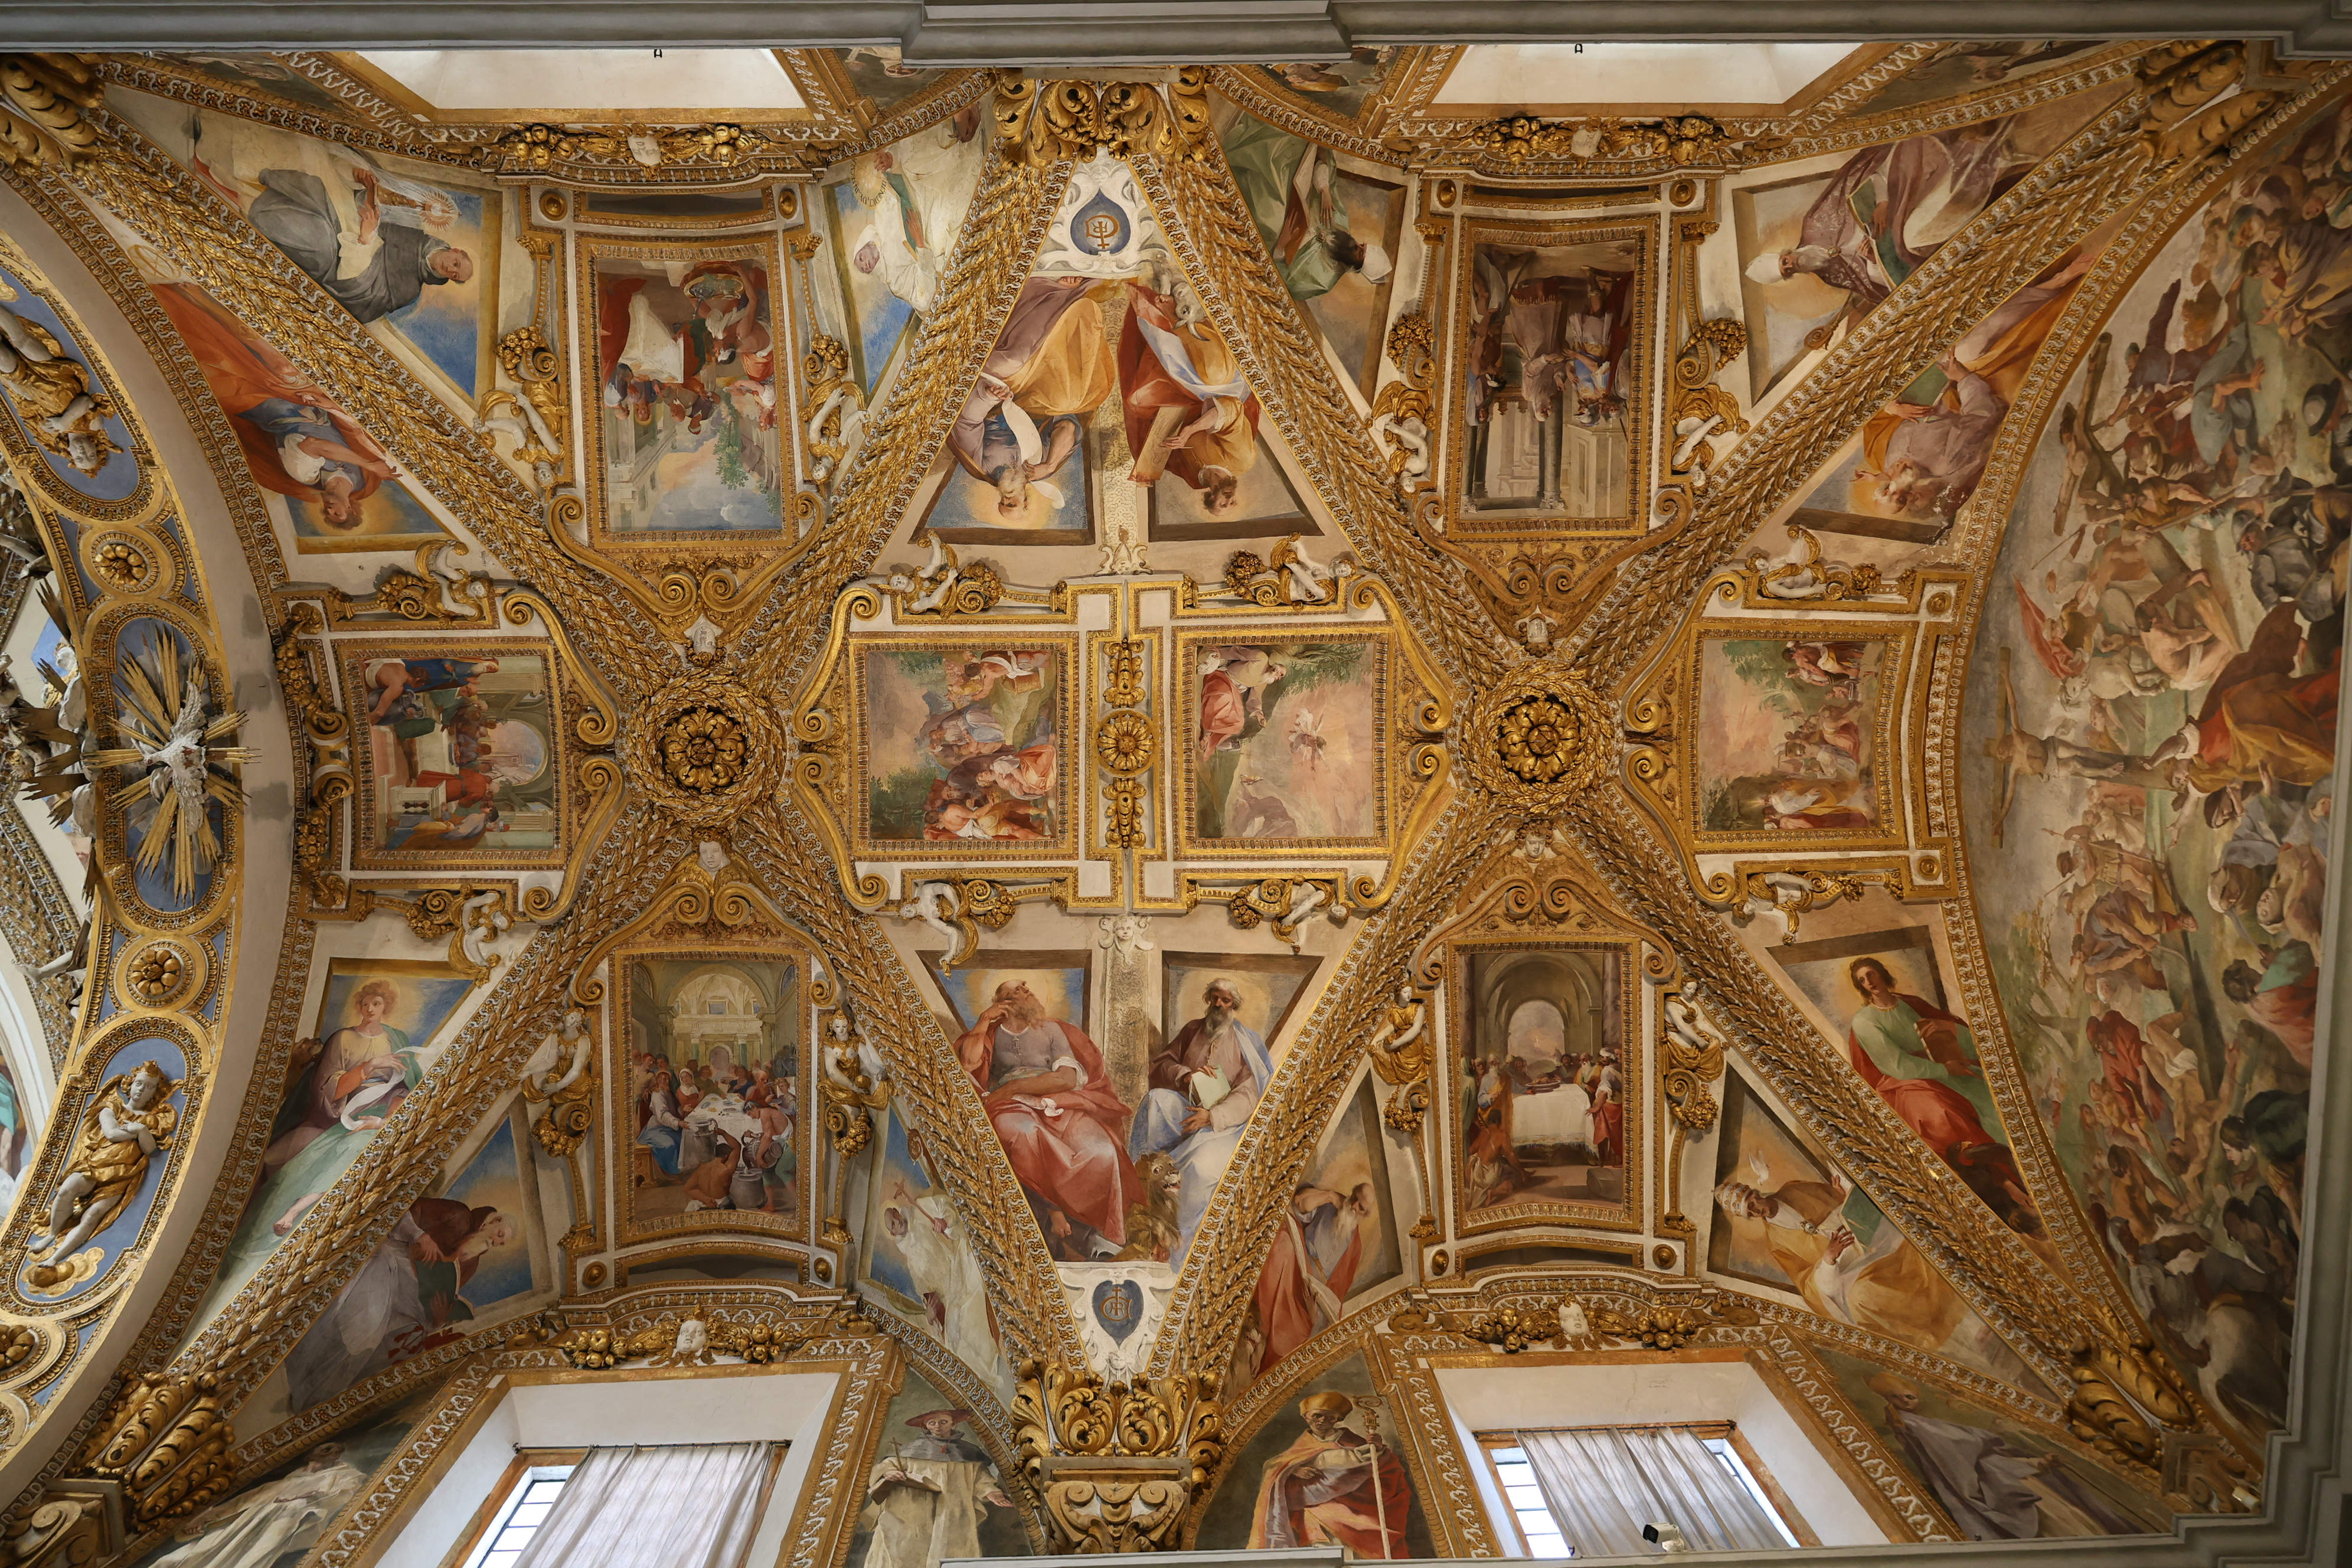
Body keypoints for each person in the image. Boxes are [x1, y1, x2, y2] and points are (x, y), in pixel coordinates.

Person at [150, 281, 399, 530]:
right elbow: (357, 432)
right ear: (351, 509)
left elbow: (316, 444)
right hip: (305, 398)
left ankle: (178, 306)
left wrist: (368, 464)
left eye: (327, 513)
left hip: (261, 402)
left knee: (217, 361)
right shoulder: (361, 480)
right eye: (338, 514)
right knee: (281, 363)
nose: (330, 509)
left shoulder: (305, 475)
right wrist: (332, 407)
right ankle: (210, 296)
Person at [952, 981, 1137, 1257]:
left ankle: (1104, 1237)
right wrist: (984, 1020)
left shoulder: (1051, 1030)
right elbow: (967, 1063)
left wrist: (1015, 1086)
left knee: (1103, 1151)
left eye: (1026, 987)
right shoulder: (991, 1033)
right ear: (1003, 1002)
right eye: (1017, 990)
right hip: (1011, 1107)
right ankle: (1052, 1209)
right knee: (1024, 1133)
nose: (1027, 990)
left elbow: (1067, 1078)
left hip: (1057, 1102)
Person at [1868, 1373, 2145, 1537]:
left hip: (2005, 1476)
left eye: (1907, 1395)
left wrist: (2032, 1461)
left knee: (2072, 1521)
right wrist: (1994, 1445)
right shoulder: (1918, 1427)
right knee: (2065, 1524)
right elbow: (1964, 1455)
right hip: (2003, 1484)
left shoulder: (1919, 1426)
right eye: (1896, 1397)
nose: (1905, 1401)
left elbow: (1974, 1456)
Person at [1129, 979, 1276, 1264]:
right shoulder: (1193, 1030)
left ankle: (1178, 1240)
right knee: (1156, 1100)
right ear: (1208, 999)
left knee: (1199, 1167)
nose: (1219, 1005)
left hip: (1226, 1124)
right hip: (1189, 1107)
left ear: (1234, 1005)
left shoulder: (1246, 1041)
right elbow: (1161, 1064)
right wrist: (1185, 1075)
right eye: (1215, 998)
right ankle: (1145, 1170)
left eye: (1226, 1001)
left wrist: (1212, 1116)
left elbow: (1249, 1094)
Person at [946, 276, 1115, 523]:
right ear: (1026, 501)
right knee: (1072, 398)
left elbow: (967, 423)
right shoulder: (1039, 467)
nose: (1005, 498)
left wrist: (989, 395)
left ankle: (1054, 292)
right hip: (1032, 397)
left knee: (1013, 361)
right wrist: (1050, 464)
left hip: (988, 389)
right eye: (1011, 504)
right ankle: (1070, 310)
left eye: (1002, 503)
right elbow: (1067, 427)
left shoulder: (982, 467)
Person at [246, 164, 473, 323]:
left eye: (455, 276)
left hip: (344, 262)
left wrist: (365, 241)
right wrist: (370, 188)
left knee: (320, 242)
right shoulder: (414, 229)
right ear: (456, 251)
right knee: (320, 185)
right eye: (456, 264)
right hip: (354, 222)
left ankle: (258, 217)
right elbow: (376, 210)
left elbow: (362, 299)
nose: (450, 270)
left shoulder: (409, 290)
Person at [1119, 263, 1260, 515]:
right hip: (1222, 391)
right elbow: (1231, 410)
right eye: (1232, 504)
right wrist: (1190, 431)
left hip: (1185, 406)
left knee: (1137, 401)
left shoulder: (1195, 477)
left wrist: (1150, 463)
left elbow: (1168, 455)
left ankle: (1159, 317)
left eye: (1222, 505)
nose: (1230, 500)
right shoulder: (1242, 461)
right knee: (1212, 373)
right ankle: (1177, 316)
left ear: (1210, 497)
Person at [1221, 114, 1392, 302]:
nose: (1356, 245)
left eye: (1360, 252)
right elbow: (1326, 166)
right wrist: (1324, 189)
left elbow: (1283, 283)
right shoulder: (1342, 222)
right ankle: (1242, 141)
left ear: (1356, 266)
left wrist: (1281, 247)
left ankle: (1226, 173)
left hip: (1279, 240)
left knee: (1273, 215)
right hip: (1297, 197)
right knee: (1295, 150)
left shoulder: (1324, 281)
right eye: (1362, 245)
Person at [150, 1442, 367, 1568]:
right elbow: (242, 1502)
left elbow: (343, 1494)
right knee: (199, 1554)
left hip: (285, 1520)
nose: (332, 1454)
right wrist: (202, 1521)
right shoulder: (284, 1482)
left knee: (260, 1548)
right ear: (311, 1455)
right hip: (244, 1525)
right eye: (326, 1450)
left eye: (335, 1452)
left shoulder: (344, 1474)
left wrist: (306, 1497)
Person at [1247, 1391, 1413, 1556]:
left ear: (1338, 1420)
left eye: (1330, 1418)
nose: (1322, 1421)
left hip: (1354, 1501)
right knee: (1311, 1518)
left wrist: (1377, 1448)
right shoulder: (1303, 1443)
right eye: (1317, 1416)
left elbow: (1381, 1465)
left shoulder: (1351, 1440)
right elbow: (1275, 1466)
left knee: (1348, 1530)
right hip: (1313, 1503)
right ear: (1306, 1416)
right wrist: (1294, 1470)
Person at [1252, 1179, 1376, 1376]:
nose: (1353, 1206)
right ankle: (1260, 1332)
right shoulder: (1329, 1203)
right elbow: (1300, 1204)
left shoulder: (1355, 1246)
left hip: (1312, 1291)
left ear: (1365, 1214)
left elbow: (1336, 1295)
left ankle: (1265, 1364)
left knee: (1299, 1331)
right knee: (1283, 1246)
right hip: (1296, 1260)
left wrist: (1315, 1315)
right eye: (1355, 1197)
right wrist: (1329, 1196)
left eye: (1360, 1207)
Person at [861, 1409, 1012, 1568]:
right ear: (926, 1426)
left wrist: (991, 1492)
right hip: (913, 1510)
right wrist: (889, 1473)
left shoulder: (967, 1452)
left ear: (953, 1423)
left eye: (943, 1422)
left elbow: (979, 1477)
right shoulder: (911, 1449)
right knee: (904, 1552)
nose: (938, 1426)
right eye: (932, 1423)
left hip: (950, 1508)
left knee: (949, 1548)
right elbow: (884, 1467)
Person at [878, 1181, 998, 1376]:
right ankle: (986, 1377)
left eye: (895, 1215)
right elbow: (928, 1297)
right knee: (954, 1333)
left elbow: (948, 1207)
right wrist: (930, 1315)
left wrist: (945, 1223)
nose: (898, 1222)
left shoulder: (919, 1209)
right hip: (950, 1292)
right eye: (893, 1224)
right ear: (892, 1233)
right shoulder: (912, 1262)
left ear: (899, 1212)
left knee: (972, 1303)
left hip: (960, 1259)